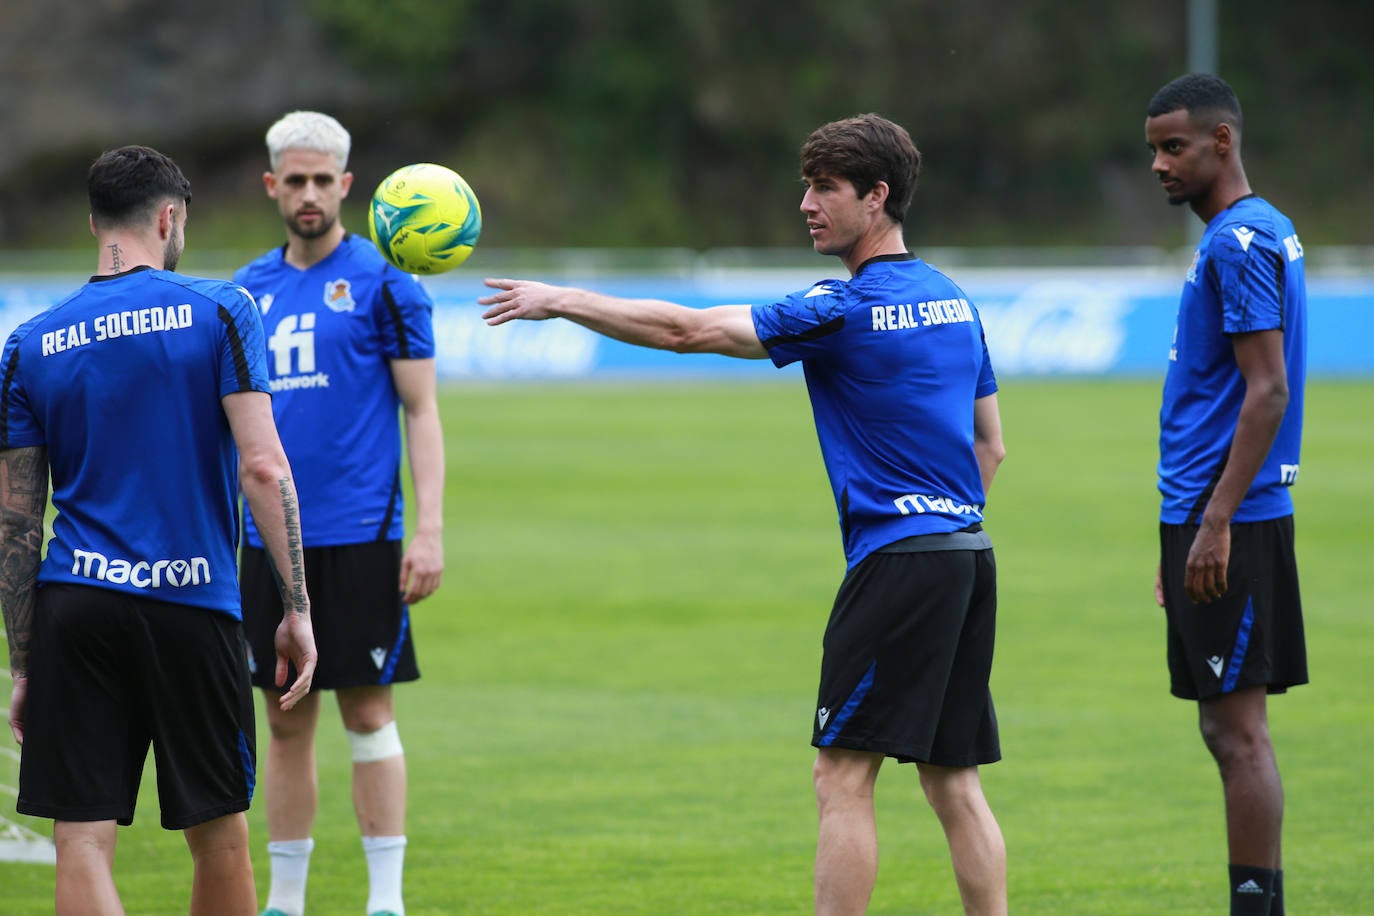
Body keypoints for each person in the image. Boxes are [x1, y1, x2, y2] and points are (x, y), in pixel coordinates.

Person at [480, 113, 1007, 916]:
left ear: (878, 196)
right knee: (952, 780)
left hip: (900, 563)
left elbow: (688, 330)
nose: (806, 203)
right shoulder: (955, 302)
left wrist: (562, 299)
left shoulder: (840, 307)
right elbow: (991, 447)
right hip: (967, 554)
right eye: (807, 185)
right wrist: (941, 522)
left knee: (842, 776)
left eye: (826, 188)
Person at [0, 145, 316, 916]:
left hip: (76, 604)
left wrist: (25, 658)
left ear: (91, 223)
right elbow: (264, 468)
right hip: (193, 604)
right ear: (169, 217)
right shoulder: (220, 310)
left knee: (79, 838)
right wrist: (297, 607)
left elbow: (14, 519)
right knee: (218, 832)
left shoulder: (29, 343)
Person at [235, 111, 444, 916]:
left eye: (325, 180)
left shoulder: (389, 283)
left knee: (369, 710)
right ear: (272, 187)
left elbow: (421, 412)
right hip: (269, 540)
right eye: (297, 180)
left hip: (362, 534)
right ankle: (286, 902)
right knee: (285, 722)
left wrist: (428, 529)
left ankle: (384, 901)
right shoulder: (247, 291)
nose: (311, 193)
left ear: (348, 185)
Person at [1146, 73, 1308, 916]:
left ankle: (1258, 910)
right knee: (1225, 727)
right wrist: (1181, 533)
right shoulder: (1252, 235)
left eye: (1174, 147)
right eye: (1153, 151)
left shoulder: (1239, 243)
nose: (1160, 165)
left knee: (1237, 733)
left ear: (1222, 142)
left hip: (1231, 519)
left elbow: (1267, 390)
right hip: (1209, 518)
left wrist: (1212, 522)